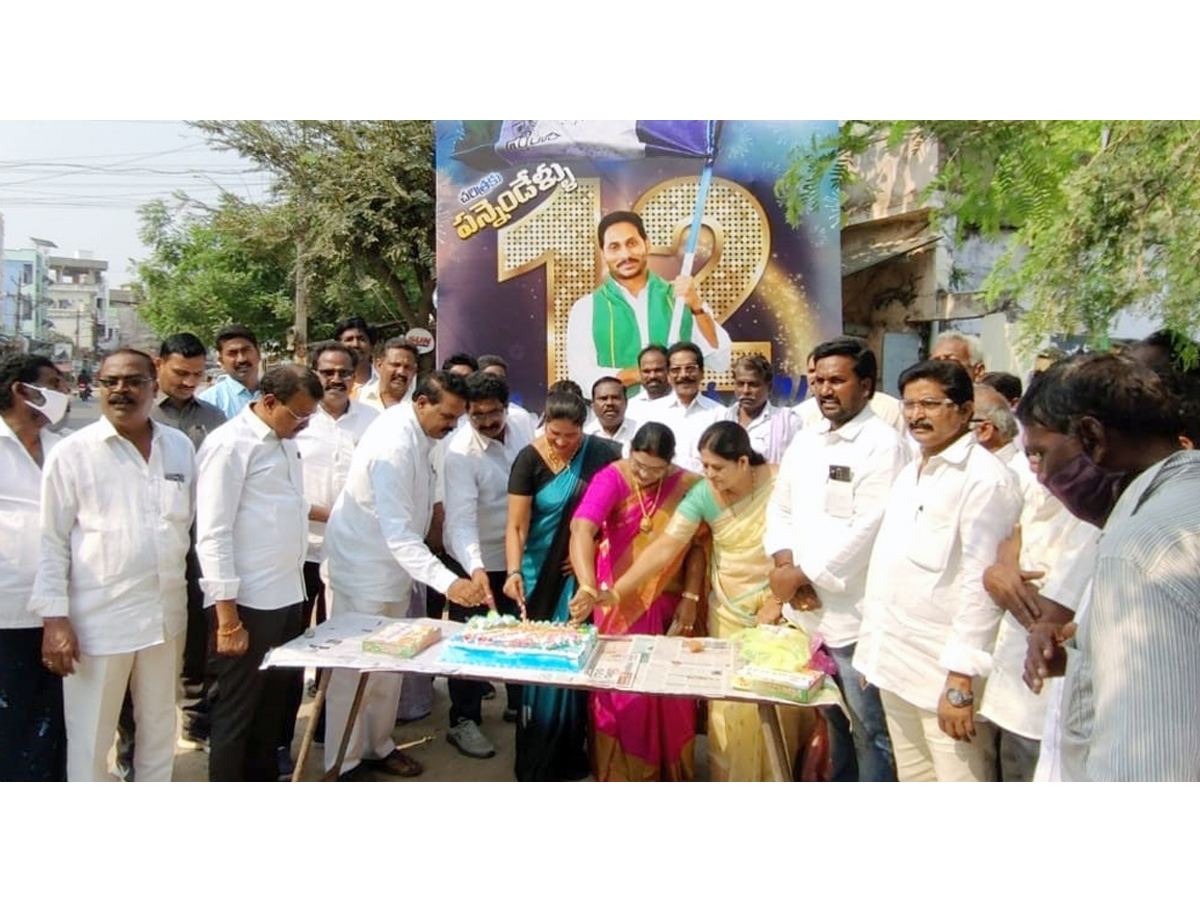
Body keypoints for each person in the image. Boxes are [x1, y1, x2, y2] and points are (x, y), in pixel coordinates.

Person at [1019, 354, 1200, 780]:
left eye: (1042, 453)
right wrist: (1086, 657)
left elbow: (1146, 769)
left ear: (1092, 437)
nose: (1041, 475)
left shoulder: (1139, 551)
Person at [601, 422, 809, 781]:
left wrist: (778, 600)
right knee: (728, 706)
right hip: (728, 610)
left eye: (717, 467)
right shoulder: (702, 495)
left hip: (782, 608)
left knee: (779, 703)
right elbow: (666, 547)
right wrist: (618, 591)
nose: (708, 475)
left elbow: (806, 540)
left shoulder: (780, 483)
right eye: (704, 465)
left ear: (743, 462)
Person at [851, 360, 1021, 782]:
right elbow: (889, 569)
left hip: (943, 676)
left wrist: (961, 679)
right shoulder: (912, 469)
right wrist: (872, 650)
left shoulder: (985, 479)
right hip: (894, 662)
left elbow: (981, 586)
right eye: (909, 404)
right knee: (913, 780)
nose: (916, 415)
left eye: (930, 404)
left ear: (965, 411)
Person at [31, 349, 196, 782]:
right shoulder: (73, 453)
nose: (121, 390)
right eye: (111, 382)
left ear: (154, 387)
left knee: (159, 729)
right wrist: (54, 620)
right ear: (99, 388)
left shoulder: (178, 447)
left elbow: (186, 528)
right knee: (91, 737)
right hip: (99, 623)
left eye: (133, 381)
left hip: (165, 618)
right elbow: (51, 541)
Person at [323, 371, 489, 779]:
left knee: (389, 665)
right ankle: (343, 763)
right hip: (363, 569)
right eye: (447, 416)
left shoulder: (427, 436)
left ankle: (378, 745)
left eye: (457, 418)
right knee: (354, 672)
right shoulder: (394, 445)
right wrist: (450, 583)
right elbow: (397, 533)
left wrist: (474, 566)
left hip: (397, 570)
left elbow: (442, 513)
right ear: (422, 403)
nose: (452, 426)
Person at [764, 337, 908, 781]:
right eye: (819, 380)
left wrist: (803, 576)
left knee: (870, 732)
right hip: (808, 614)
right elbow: (780, 508)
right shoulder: (808, 440)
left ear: (865, 386)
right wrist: (786, 570)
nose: (825, 390)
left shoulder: (883, 445)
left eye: (837, 381)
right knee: (833, 722)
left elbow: (869, 527)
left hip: (855, 620)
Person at [196, 364, 321, 781]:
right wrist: (228, 619)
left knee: (272, 706)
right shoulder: (229, 445)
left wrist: (340, 514)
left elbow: (286, 503)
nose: (304, 425)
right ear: (269, 402)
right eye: (299, 415)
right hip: (247, 601)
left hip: (287, 594)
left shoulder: (285, 442)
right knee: (237, 709)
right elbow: (213, 533)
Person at [970, 383, 1097, 782]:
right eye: (1030, 453)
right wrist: (1001, 566)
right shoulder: (1028, 480)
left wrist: (1002, 577)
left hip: (1050, 704)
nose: (1035, 465)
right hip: (1008, 685)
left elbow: (1050, 616)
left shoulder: (1093, 512)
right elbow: (1005, 542)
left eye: (1042, 453)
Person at [114, 333, 229, 777]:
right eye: (180, 372)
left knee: (199, 642)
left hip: (197, 546)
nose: (189, 382)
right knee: (136, 658)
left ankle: (197, 720)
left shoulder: (213, 418)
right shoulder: (138, 415)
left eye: (197, 374)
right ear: (158, 365)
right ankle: (131, 751)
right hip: (138, 558)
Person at [568, 422, 705, 780]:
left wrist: (691, 597)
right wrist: (587, 586)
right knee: (622, 687)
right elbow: (582, 528)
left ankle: (671, 774)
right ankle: (621, 775)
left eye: (654, 470)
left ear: (670, 464)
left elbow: (697, 548)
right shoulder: (613, 477)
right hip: (616, 601)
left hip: (670, 600)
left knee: (671, 687)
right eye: (638, 465)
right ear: (630, 453)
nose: (643, 475)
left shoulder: (689, 486)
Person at [503, 391, 621, 780]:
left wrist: (592, 551)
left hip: (580, 578)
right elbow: (517, 525)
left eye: (571, 436)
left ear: (583, 430)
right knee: (540, 661)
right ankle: (537, 760)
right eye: (554, 434)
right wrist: (513, 572)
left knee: (577, 658)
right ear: (545, 425)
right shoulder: (528, 460)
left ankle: (573, 752)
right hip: (539, 574)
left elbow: (619, 514)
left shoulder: (604, 454)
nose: (561, 443)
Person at [289, 341, 378, 749]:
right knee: (295, 644)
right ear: (314, 373)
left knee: (341, 643)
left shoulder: (372, 422)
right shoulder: (298, 419)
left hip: (352, 552)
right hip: (301, 550)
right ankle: (284, 735)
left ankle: (332, 730)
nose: (336, 379)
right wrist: (328, 515)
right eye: (328, 372)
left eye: (344, 372)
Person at [442, 371, 534, 757]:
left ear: (507, 407)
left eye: (493, 412)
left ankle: (519, 704)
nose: (486, 422)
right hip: (474, 556)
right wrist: (475, 570)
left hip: (520, 555)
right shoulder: (459, 453)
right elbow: (460, 520)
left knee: (521, 633)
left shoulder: (523, 423)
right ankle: (463, 720)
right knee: (470, 641)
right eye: (476, 415)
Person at [566, 211, 731, 394]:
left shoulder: (680, 298)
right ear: (603, 253)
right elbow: (581, 377)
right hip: (620, 412)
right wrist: (645, 374)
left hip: (674, 410)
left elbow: (721, 361)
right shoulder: (586, 308)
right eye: (614, 247)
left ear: (647, 244)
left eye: (632, 243)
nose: (625, 254)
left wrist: (697, 308)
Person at [0, 354, 70, 780]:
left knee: (56, 721)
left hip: (62, 609)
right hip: (7, 611)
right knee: (11, 720)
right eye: (53, 385)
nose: (63, 393)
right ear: (22, 390)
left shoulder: (65, 447)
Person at [637, 341, 724, 474]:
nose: (683, 375)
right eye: (676, 370)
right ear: (668, 376)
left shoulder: (720, 415)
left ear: (702, 373)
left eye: (690, 368)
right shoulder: (651, 413)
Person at [723, 353, 800, 464]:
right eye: (740, 384)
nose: (745, 391)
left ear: (769, 387)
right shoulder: (721, 419)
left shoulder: (787, 421)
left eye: (753, 384)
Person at [199, 325, 261, 418]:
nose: (241, 359)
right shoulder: (209, 401)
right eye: (232, 353)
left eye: (246, 351)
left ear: (258, 354)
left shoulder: (277, 394)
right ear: (221, 361)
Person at [477, 353, 538, 435]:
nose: (496, 382)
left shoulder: (521, 417)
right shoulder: (463, 419)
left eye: (501, 378)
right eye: (490, 377)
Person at [359, 337, 419, 412]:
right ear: (379, 365)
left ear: (414, 370)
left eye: (407, 367)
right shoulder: (360, 396)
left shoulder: (420, 404)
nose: (401, 372)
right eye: (396, 365)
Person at [584, 375, 638, 455]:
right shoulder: (584, 437)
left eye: (615, 398)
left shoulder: (638, 431)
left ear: (626, 402)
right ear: (593, 405)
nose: (610, 403)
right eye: (603, 398)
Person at [334, 316, 378, 400]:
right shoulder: (330, 384)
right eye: (349, 339)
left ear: (371, 346)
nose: (356, 345)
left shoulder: (384, 382)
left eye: (361, 339)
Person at [624, 344, 671, 421]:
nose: (652, 376)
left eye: (658, 370)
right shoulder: (631, 407)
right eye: (646, 371)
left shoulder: (683, 402)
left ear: (669, 370)